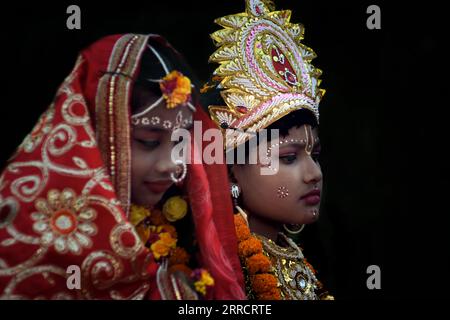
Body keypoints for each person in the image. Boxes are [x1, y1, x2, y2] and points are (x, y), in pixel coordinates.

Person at [0, 33, 245, 300]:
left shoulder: (182, 229)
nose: (172, 163)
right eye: (149, 141)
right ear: (94, 131)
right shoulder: (33, 235)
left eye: (180, 143)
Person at [204, 0, 334, 300]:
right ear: (232, 172)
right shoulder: (217, 276)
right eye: (288, 158)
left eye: (314, 156)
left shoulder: (296, 256)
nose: (314, 174)